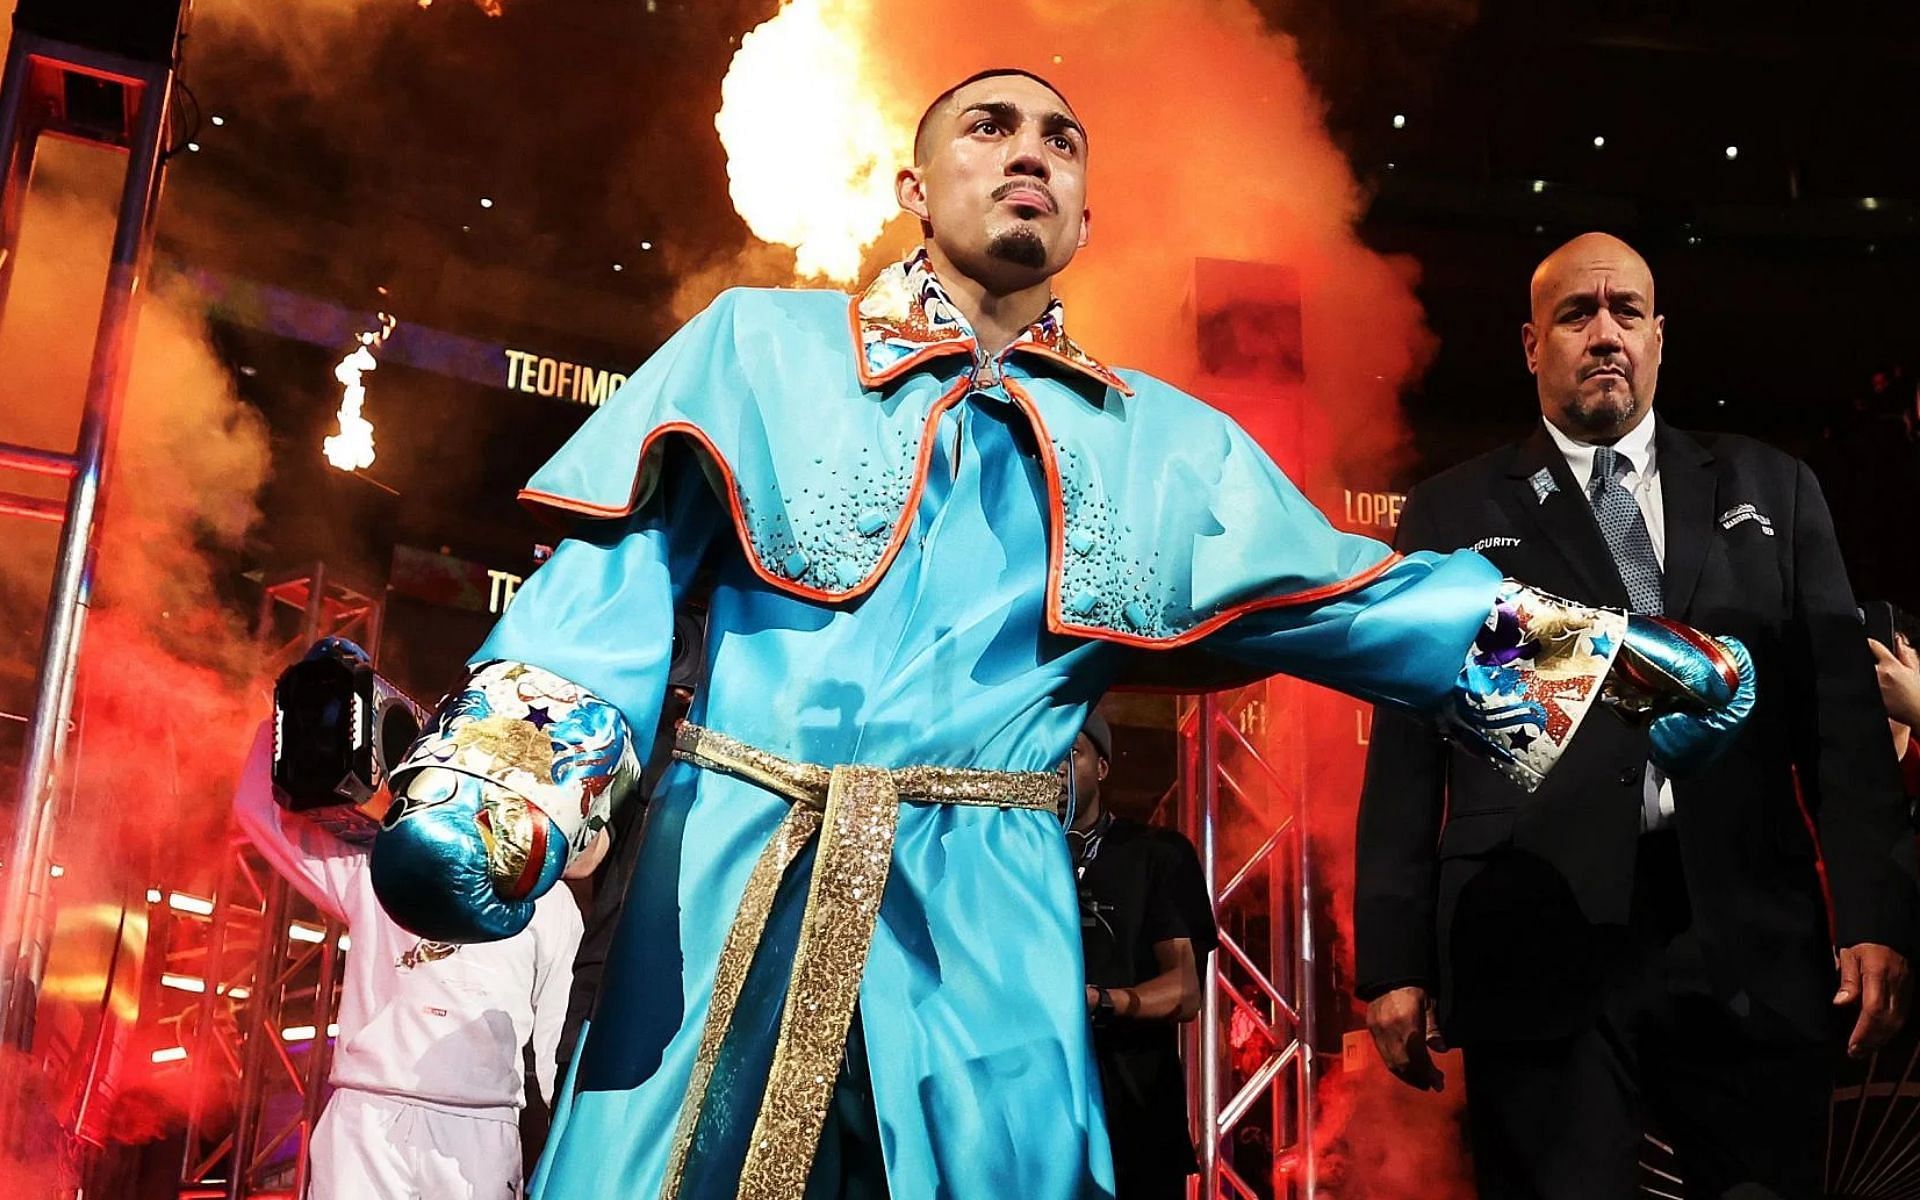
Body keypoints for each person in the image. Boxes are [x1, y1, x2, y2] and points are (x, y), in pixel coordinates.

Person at [365, 74, 1755, 1200]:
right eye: (990, 125)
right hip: (730, 879)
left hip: (989, 924)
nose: (1031, 151)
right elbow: (608, 582)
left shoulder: (1158, 446)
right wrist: (503, 779)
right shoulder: (756, 351)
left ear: (1086, 213)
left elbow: (1360, 600)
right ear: (913, 190)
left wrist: (1608, 658)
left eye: (1062, 139)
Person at [1354, 232, 1918, 1199]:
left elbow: (1844, 733)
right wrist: (1392, 957)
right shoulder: (1453, 510)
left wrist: (1876, 914)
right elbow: (1411, 745)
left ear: (1661, 337)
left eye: (1627, 313)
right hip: (1536, 930)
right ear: (1532, 345)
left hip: (1743, 930)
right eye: (1577, 314)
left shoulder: (1772, 488)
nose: (1604, 333)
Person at [231, 724, 582, 1199]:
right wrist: (288, 714)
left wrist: (566, 1157)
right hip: (368, 1117)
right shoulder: (385, 865)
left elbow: (555, 1044)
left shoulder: (548, 899)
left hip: (478, 1124)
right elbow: (260, 810)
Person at [1065, 713, 1216, 1199]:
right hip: (1036, 1116)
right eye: (1045, 753)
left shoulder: (1156, 853)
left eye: (1074, 753)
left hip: (1134, 1115)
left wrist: (1098, 1001)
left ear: (1103, 767)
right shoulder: (1006, 858)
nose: (1057, 768)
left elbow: (1185, 991)